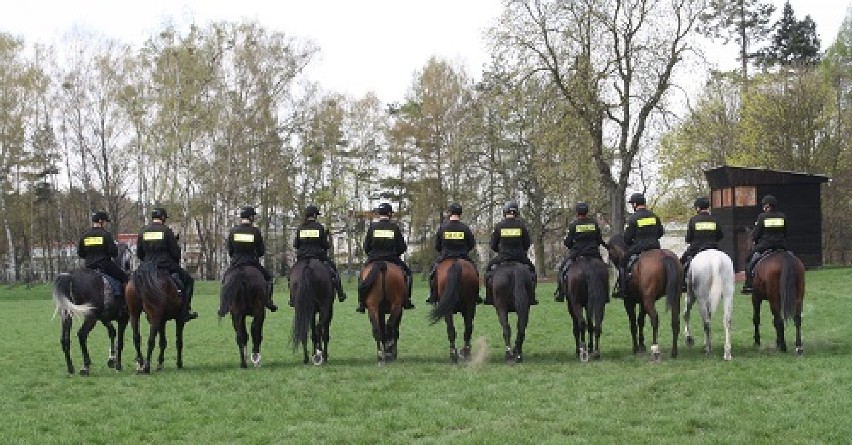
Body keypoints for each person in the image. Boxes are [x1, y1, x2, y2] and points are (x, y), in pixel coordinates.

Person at [136, 207, 197, 321]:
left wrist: (146, 261)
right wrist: (174, 260)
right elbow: (175, 252)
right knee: (189, 281)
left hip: (146, 265)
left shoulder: (143, 231)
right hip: (164, 264)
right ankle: (185, 311)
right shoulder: (166, 231)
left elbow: (139, 252)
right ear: (163, 218)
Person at [218, 206, 279, 317]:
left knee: (225, 281)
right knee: (269, 279)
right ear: (251, 217)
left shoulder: (233, 231)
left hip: (236, 263)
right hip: (252, 262)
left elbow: (230, 250)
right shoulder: (255, 231)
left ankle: (223, 306)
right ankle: (268, 301)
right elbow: (261, 251)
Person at [356, 202, 415, 313]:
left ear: (379, 214)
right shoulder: (394, 228)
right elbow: (402, 247)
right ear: (389, 214)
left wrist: (372, 254)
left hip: (374, 258)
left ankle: (361, 303)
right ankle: (407, 300)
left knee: (361, 276)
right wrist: (395, 254)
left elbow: (366, 247)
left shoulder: (372, 228)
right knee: (408, 275)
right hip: (392, 258)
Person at [291, 205, 348, 306]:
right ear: (314, 215)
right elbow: (325, 246)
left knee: (291, 275)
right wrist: (327, 239)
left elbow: (296, 245)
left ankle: (292, 298)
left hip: (303, 257)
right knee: (334, 271)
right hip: (318, 256)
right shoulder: (319, 227)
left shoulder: (301, 228)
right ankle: (340, 293)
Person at [483, 201, 538, 305]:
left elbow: (493, 245)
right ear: (516, 212)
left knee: (488, 272)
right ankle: (532, 297)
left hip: (503, 257)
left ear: (504, 212)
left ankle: (489, 297)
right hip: (520, 257)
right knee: (532, 272)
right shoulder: (521, 226)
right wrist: (521, 251)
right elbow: (527, 243)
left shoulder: (499, 226)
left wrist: (500, 251)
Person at [426, 202, 481, 305]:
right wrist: (464, 251)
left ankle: (433, 295)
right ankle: (476, 295)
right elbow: (472, 244)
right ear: (460, 214)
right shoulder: (465, 228)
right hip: (463, 257)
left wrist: (443, 251)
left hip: (445, 256)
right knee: (475, 271)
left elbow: (437, 245)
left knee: (433, 273)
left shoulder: (443, 227)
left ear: (449, 213)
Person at [614, 193, 664, 298]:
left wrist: (634, 241)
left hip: (639, 247)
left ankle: (622, 289)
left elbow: (627, 239)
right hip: (655, 247)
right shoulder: (654, 216)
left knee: (623, 263)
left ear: (635, 204)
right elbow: (661, 232)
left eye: (632, 203)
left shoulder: (633, 218)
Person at [555, 202, 607, 302]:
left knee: (562, 270)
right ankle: (605, 295)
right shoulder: (593, 223)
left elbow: (568, 242)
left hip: (577, 254)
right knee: (603, 271)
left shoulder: (574, 224)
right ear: (587, 212)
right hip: (593, 254)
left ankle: (560, 293)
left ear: (577, 213)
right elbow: (599, 239)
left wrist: (570, 245)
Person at [77, 210, 128, 302]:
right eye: (105, 222)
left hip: (88, 266)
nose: (106, 224)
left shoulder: (84, 235)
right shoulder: (105, 234)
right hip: (105, 265)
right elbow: (114, 253)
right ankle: (123, 301)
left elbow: (81, 253)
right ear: (101, 221)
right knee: (124, 277)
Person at [742, 194, 787, 293]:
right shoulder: (782, 216)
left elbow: (756, 233)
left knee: (748, 260)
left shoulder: (762, 217)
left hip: (765, 245)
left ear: (767, 206)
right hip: (781, 245)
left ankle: (749, 285)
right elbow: (785, 232)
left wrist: (756, 239)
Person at [680, 197, 723, 290]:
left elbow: (689, 238)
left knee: (682, 262)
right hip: (713, 247)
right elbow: (720, 236)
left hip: (696, 248)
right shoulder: (714, 220)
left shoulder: (693, 220)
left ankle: (683, 283)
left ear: (698, 208)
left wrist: (688, 239)